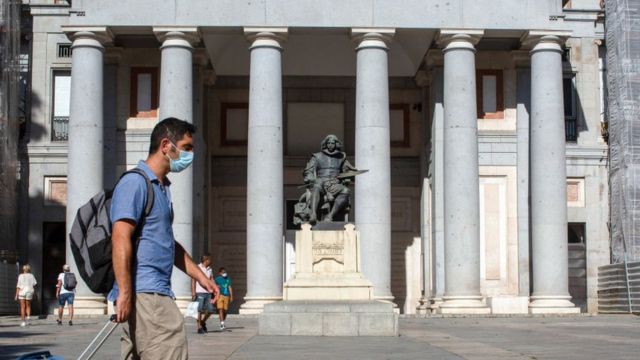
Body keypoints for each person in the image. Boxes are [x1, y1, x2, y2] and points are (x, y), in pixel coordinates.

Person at [110, 117, 219, 360]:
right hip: (147, 294)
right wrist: (125, 293)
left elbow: (169, 245)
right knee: (171, 349)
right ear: (166, 145)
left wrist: (202, 277)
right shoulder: (135, 183)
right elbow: (120, 238)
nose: (190, 155)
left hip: (152, 292)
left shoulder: (161, 188)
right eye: (187, 147)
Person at [297, 134, 359, 224]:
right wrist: (310, 178)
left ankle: (330, 216)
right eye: (328, 143)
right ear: (325, 144)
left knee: (345, 191)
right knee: (317, 186)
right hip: (320, 181)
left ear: (336, 144)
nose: (330, 145)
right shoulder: (317, 156)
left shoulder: (341, 157)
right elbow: (308, 171)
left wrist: (351, 174)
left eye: (332, 143)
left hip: (334, 183)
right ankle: (313, 214)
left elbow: (347, 170)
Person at [191, 254, 215, 334]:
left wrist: (215, 289)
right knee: (199, 310)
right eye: (209, 259)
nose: (210, 261)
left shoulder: (210, 269)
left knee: (211, 309)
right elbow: (193, 280)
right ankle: (199, 328)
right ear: (206, 260)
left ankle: (203, 321)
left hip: (208, 293)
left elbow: (211, 279)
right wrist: (193, 292)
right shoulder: (197, 268)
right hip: (199, 292)